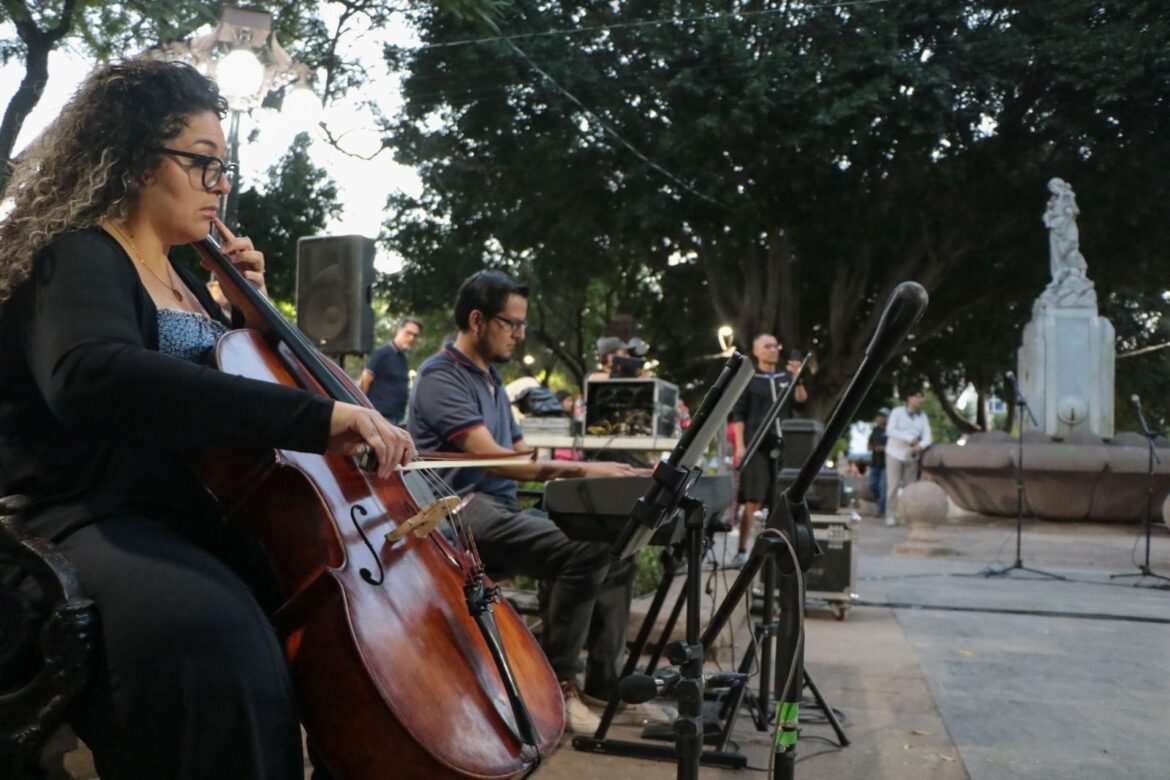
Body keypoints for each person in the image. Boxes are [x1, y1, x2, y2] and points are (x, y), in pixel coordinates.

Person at [0, 59, 415, 779]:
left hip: (190, 516)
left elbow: (213, 387)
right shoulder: (78, 255)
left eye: (224, 168)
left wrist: (242, 319)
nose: (219, 185)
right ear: (131, 158)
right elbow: (91, 375)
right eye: (202, 163)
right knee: (212, 642)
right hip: (85, 516)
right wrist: (317, 418)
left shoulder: (193, 275)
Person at [408, 270, 669, 734]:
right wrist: (585, 469)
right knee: (585, 549)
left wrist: (599, 464)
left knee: (619, 542)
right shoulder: (440, 377)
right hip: (458, 512)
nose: (520, 333)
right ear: (477, 319)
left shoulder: (491, 379)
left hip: (497, 509)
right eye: (512, 323)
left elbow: (523, 453)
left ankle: (604, 688)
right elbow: (498, 462)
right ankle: (554, 689)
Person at [729, 334, 808, 568]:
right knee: (753, 501)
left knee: (779, 500)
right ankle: (743, 550)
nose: (773, 350)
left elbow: (801, 401)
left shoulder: (787, 376)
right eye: (768, 346)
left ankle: (774, 550)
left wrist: (798, 378)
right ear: (756, 351)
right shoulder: (751, 379)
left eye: (776, 346)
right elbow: (739, 415)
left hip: (783, 446)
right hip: (756, 446)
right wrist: (741, 447)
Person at [359, 316, 422, 424]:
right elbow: (365, 379)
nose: (411, 338)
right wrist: (363, 408)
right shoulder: (382, 353)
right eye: (408, 333)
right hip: (380, 417)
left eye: (415, 335)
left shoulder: (404, 357)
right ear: (398, 331)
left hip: (397, 418)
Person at [884, 390, 932, 526]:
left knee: (909, 487)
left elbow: (928, 437)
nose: (919, 399)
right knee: (893, 485)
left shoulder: (923, 417)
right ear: (909, 397)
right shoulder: (897, 412)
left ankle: (906, 515)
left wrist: (920, 445)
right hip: (894, 452)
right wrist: (909, 438)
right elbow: (890, 430)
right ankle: (891, 514)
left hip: (911, 455)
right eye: (917, 396)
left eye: (921, 396)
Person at [867, 408, 890, 516]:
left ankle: (881, 510)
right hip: (875, 462)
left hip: (886, 463)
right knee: (872, 484)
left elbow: (895, 446)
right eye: (881, 416)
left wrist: (884, 448)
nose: (882, 418)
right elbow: (870, 444)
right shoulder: (875, 430)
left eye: (884, 416)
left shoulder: (891, 431)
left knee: (883, 486)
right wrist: (873, 447)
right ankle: (880, 503)